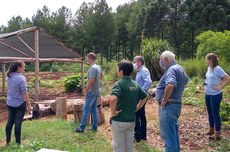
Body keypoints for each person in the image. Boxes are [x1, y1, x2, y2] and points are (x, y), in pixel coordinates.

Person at [110, 60, 147, 152]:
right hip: (131, 121)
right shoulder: (135, 84)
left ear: (121, 71)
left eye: (117, 69)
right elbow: (145, 97)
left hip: (119, 120)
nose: (117, 71)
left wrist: (113, 113)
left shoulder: (119, 84)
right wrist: (137, 108)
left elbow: (113, 99)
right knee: (129, 147)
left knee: (118, 147)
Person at [156, 51, 188, 152]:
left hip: (169, 106)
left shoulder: (171, 70)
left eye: (161, 60)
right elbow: (185, 80)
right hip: (176, 104)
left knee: (168, 136)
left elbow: (170, 84)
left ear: (166, 59)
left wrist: (165, 100)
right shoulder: (179, 68)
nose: (161, 63)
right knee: (173, 134)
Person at [204, 53, 230, 140]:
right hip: (207, 94)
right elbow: (207, 79)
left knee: (215, 113)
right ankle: (211, 129)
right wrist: (204, 84)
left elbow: (228, 78)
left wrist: (220, 87)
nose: (205, 61)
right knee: (210, 112)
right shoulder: (209, 68)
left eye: (206, 59)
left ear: (211, 60)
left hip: (215, 95)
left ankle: (217, 133)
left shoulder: (218, 69)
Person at [5, 60, 32, 145]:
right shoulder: (21, 78)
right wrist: (29, 105)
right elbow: (24, 92)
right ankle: (18, 144)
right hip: (19, 104)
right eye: (23, 66)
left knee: (9, 122)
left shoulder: (8, 77)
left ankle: (8, 142)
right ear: (18, 68)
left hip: (10, 103)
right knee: (17, 123)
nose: (24, 68)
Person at [75, 52, 102, 132]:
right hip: (97, 91)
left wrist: (86, 91)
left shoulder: (93, 68)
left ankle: (81, 127)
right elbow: (102, 76)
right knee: (93, 109)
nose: (87, 60)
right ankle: (94, 127)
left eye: (87, 58)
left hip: (92, 92)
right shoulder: (98, 67)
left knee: (86, 109)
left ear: (89, 59)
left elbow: (91, 81)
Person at [133, 56, 152, 142]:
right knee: (141, 115)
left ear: (140, 62)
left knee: (136, 114)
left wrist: (141, 92)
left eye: (135, 62)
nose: (134, 64)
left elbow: (148, 82)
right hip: (139, 96)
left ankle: (138, 136)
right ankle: (142, 135)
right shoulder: (139, 71)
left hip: (141, 96)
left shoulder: (144, 70)